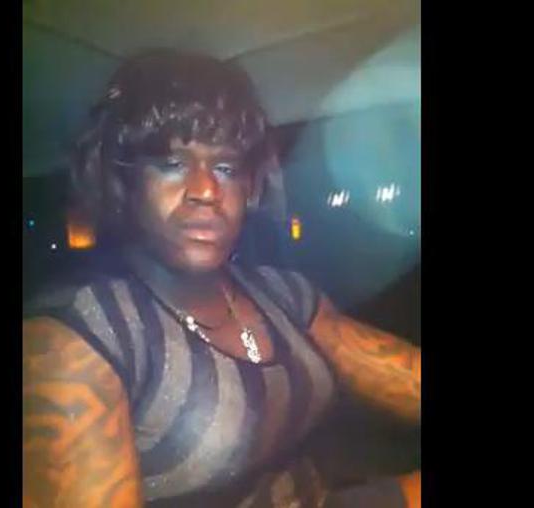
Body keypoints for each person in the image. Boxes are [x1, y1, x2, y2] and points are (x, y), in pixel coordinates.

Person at [23, 49, 420, 508]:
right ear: (125, 182)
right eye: (171, 163)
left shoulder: (280, 294)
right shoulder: (82, 336)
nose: (206, 191)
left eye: (226, 168)